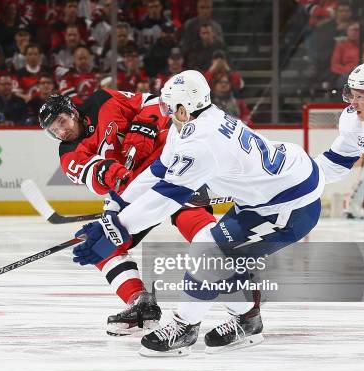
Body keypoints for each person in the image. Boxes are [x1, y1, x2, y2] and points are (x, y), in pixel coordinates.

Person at [71, 70, 323, 355]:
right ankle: (247, 319)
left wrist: (116, 230)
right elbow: (158, 171)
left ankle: (185, 327)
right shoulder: (193, 122)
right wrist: (118, 205)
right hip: (270, 193)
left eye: (167, 106)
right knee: (220, 252)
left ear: (182, 108)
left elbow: (166, 198)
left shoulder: (201, 143)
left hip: (289, 205)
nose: (163, 112)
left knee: (209, 251)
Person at [38, 90, 217, 335]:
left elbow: (156, 101)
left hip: (172, 167)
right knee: (100, 244)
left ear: (73, 112)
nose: (60, 132)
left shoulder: (103, 99)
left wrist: (147, 123)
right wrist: (112, 173)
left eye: (61, 122)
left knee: (200, 230)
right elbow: (93, 174)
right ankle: (141, 304)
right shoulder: (68, 153)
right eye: (53, 131)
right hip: (132, 189)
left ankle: (242, 298)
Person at [315, 62, 364, 216]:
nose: (353, 102)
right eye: (351, 95)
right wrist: (297, 177)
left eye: (359, 96)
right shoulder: (354, 123)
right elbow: (332, 164)